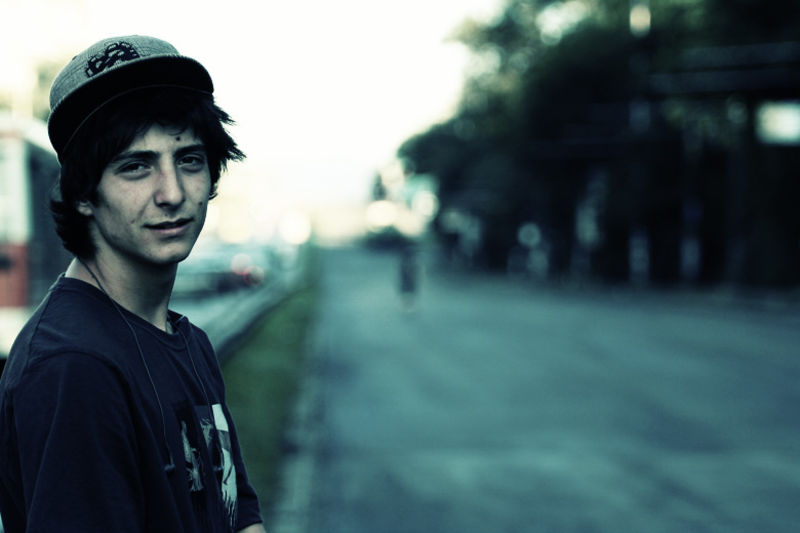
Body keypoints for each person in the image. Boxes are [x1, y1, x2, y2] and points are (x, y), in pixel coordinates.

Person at [0, 36, 266, 532]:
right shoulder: (73, 367)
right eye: (136, 167)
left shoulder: (189, 342)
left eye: (189, 160)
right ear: (83, 194)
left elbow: (237, 514)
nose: (172, 193)